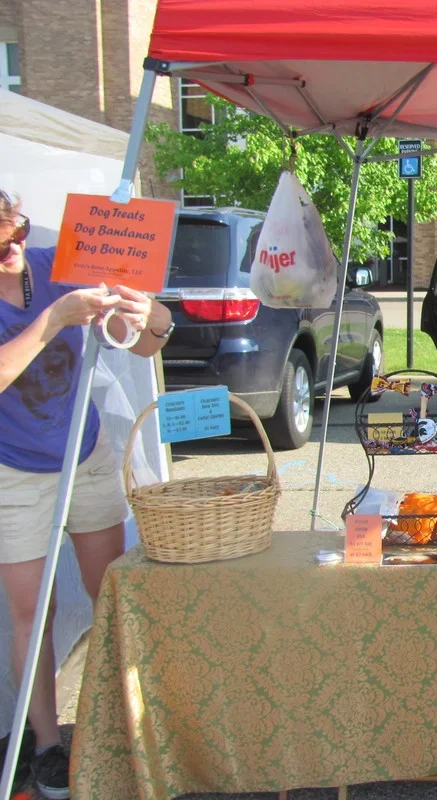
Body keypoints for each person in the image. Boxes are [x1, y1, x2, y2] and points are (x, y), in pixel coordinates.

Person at [0, 190, 172, 799]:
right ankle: (47, 744)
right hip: (15, 471)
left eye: (17, 231)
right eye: (0, 243)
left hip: (85, 453)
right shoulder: (51, 297)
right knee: (32, 615)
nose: (14, 247)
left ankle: (125, 727)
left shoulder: (55, 263)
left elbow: (144, 342)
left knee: (112, 596)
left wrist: (149, 312)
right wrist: (55, 318)